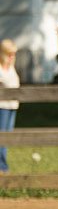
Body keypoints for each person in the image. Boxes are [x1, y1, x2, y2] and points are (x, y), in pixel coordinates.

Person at [0, 39, 20, 174]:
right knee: (2, 137)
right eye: (9, 54)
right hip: (2, 106)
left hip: (12, 105)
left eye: (13, 54)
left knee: (7, 137)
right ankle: (3, 167)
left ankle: (3, 165)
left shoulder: (11, 67)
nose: (12, 57)